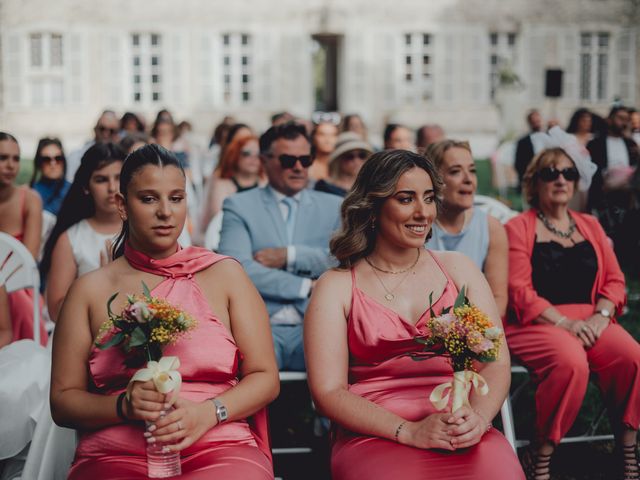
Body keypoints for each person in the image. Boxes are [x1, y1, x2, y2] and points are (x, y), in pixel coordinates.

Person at [50, 144, 279, 479]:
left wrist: (208, 413)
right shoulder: (89, 290)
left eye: (176, 198)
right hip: (116, 453)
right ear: (122, 205)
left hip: (217, 442)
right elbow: (63, 401)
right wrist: (122, 406)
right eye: (148, 199)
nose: (165, 212)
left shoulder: (224, 275)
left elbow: (266, 377)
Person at [304, 149, 523, 480]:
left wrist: (477, 419)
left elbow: (495, 362)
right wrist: (407, 431)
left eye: (429, 198)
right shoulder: (335, 287)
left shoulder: (459, 269)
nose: (423, 213)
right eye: (406, 199)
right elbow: (328, 393)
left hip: (459, 427)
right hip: (376, 434)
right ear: (373, 208)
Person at [505, 147, 640, 480]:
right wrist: (565, 323)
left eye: (568, 173)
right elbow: (519, 291)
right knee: (570, 362)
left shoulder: (590, 225)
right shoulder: (518, 227)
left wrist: (601, 315)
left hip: (592, 319)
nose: (561, 179)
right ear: (533, 183)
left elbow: (614, 280)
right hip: (537, 320)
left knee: (631, 356)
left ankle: (626, 448)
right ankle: (541, 454)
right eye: (550, 173)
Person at [218, 122, 341, 371]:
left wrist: (291, 256)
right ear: (264, 161)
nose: (298, 167)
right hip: (260, 325)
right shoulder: (239, 205)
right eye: (288, 160)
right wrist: (306, 286)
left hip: (318, 323)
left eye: (305, 159)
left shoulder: (335, 206)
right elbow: (234, 269)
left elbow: (343, 260)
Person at [41, 142, 126, 323]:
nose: (112, 188)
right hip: (83, 336)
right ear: (86, 187)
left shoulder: (143, 231)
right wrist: (102, 284)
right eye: (101, 180)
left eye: (118, 178)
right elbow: (56, 311)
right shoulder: (71, 239)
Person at [425, 140, 508, 317]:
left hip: (478, 328)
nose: (468, 179)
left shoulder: (491, 228)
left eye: (472, 171)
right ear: (433, 180)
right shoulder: (420, 225)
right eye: (455, 172)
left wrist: (476, 333)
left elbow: (498, 298)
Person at [0, 132, 45, 345]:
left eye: (16, 158)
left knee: (18, 300)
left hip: (20, 285)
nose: (10, 165)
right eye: (3, 158)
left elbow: (29, 258)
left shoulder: (30, 199)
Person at [199, 135, 264, 239]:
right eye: (246, 153)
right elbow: (220, 217)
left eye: (258, 154)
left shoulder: (266, 183)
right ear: (235, 154)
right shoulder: (222, 183)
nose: (253, 158)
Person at [66, 111, 120, 181]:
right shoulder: (76, 156)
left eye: (112, 131)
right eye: (102, 129)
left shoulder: (122, 157)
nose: (106, 133)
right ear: (95, 129)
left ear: (118, 134)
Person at [314, 132, 372, 197]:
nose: (356, 161)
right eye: (349, 156)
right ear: (339, 160)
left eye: (362, 155)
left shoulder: (370, 186)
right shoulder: (324, 186)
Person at [29, 137, 71, 216]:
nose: (53, 164)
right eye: (46, 159)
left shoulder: (74, 191)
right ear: (39, 162)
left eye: (58, 158)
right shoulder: (29, 192)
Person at [514, 109, 545, 190]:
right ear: (529, 123)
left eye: (537, 120)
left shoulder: (549, 138)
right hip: (531, 180)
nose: (536, 123)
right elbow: (519, 163)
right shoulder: (523, 142)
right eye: (533, 121)